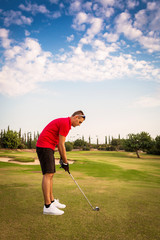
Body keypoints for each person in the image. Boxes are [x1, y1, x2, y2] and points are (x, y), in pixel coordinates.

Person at [36, 110, 85, 215]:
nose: (79, 125)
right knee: (48, 174)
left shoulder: (65, 123)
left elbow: (58, 143)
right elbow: (61, 145)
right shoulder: (65, 124)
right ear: (76, 117)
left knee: (51, 174)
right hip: (44, 146)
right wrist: (66, 162)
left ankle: (52, 201)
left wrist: (63, 160)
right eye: (80, 122)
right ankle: (47, 206)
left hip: (48, 147)